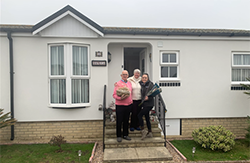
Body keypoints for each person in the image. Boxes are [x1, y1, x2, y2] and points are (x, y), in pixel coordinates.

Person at [113, 70, 133, 142]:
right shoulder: (117, 84)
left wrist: (131, 101)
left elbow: (131, 93)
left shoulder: (130, 83)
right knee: (119, 121)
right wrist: (120, 98)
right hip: (120, 105)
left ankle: (125, 135)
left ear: (128, 76)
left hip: (128, 105)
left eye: (126, 74)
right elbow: (114, 95)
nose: (125, 76)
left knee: (126, 121)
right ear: (121, 75)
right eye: (123, 74)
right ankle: (118, 135)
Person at [138, 73, 154, 140]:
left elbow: (154, 93)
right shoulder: (140, 84)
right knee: (147, 117)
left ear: (148, 78)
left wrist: (149, 98)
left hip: (149, 104)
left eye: (145, 77)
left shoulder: (151, 84)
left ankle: (143, 130)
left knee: (139, 115)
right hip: (144, 103)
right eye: (143, 77)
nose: (144, 79)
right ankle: (150, 132)